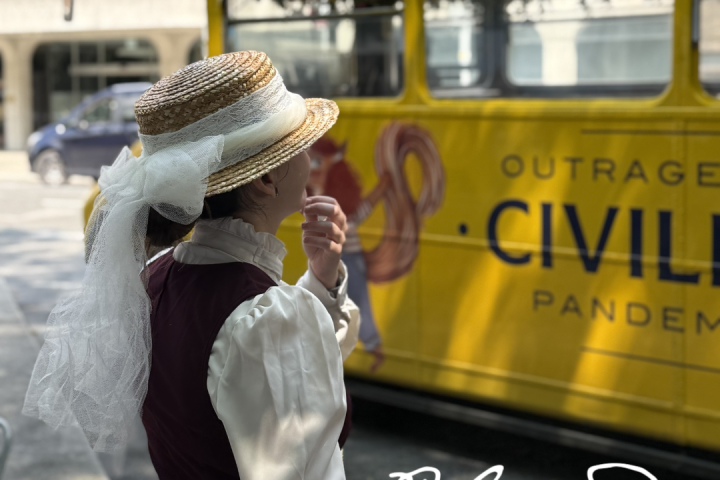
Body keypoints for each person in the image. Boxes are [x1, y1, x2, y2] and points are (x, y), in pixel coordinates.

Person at [23, 51, 359, 480]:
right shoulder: (268, 318)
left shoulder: (155, 281)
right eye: (300, 145)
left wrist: (323, 277)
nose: (310, 155)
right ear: (265, 180)